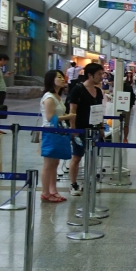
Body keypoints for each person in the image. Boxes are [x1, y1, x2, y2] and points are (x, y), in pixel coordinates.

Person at [67, 62, 105, 196]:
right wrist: (73, 129)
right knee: (77, 156)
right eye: (99, 74)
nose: (102, 77)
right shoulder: (78, 89)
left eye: (102, 74)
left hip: (94, 129)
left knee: (92, 157)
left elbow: (99, 111)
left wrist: (101, 128)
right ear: (90, 75)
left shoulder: (98, 91)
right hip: (81, 129)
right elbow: (73, 110)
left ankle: (88, 182)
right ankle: (73, 184)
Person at [39, 70, 75, 202]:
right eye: (59, 77)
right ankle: (45, 192)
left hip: (58, 132)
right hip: (50, 132)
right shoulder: (49, 98)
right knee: (48, 164)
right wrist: (68, 117)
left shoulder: (58, 96)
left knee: (55, 163)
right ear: (51, 80)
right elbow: (49, 118)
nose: (62, 79)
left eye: (62, 76)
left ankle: (53, 190)